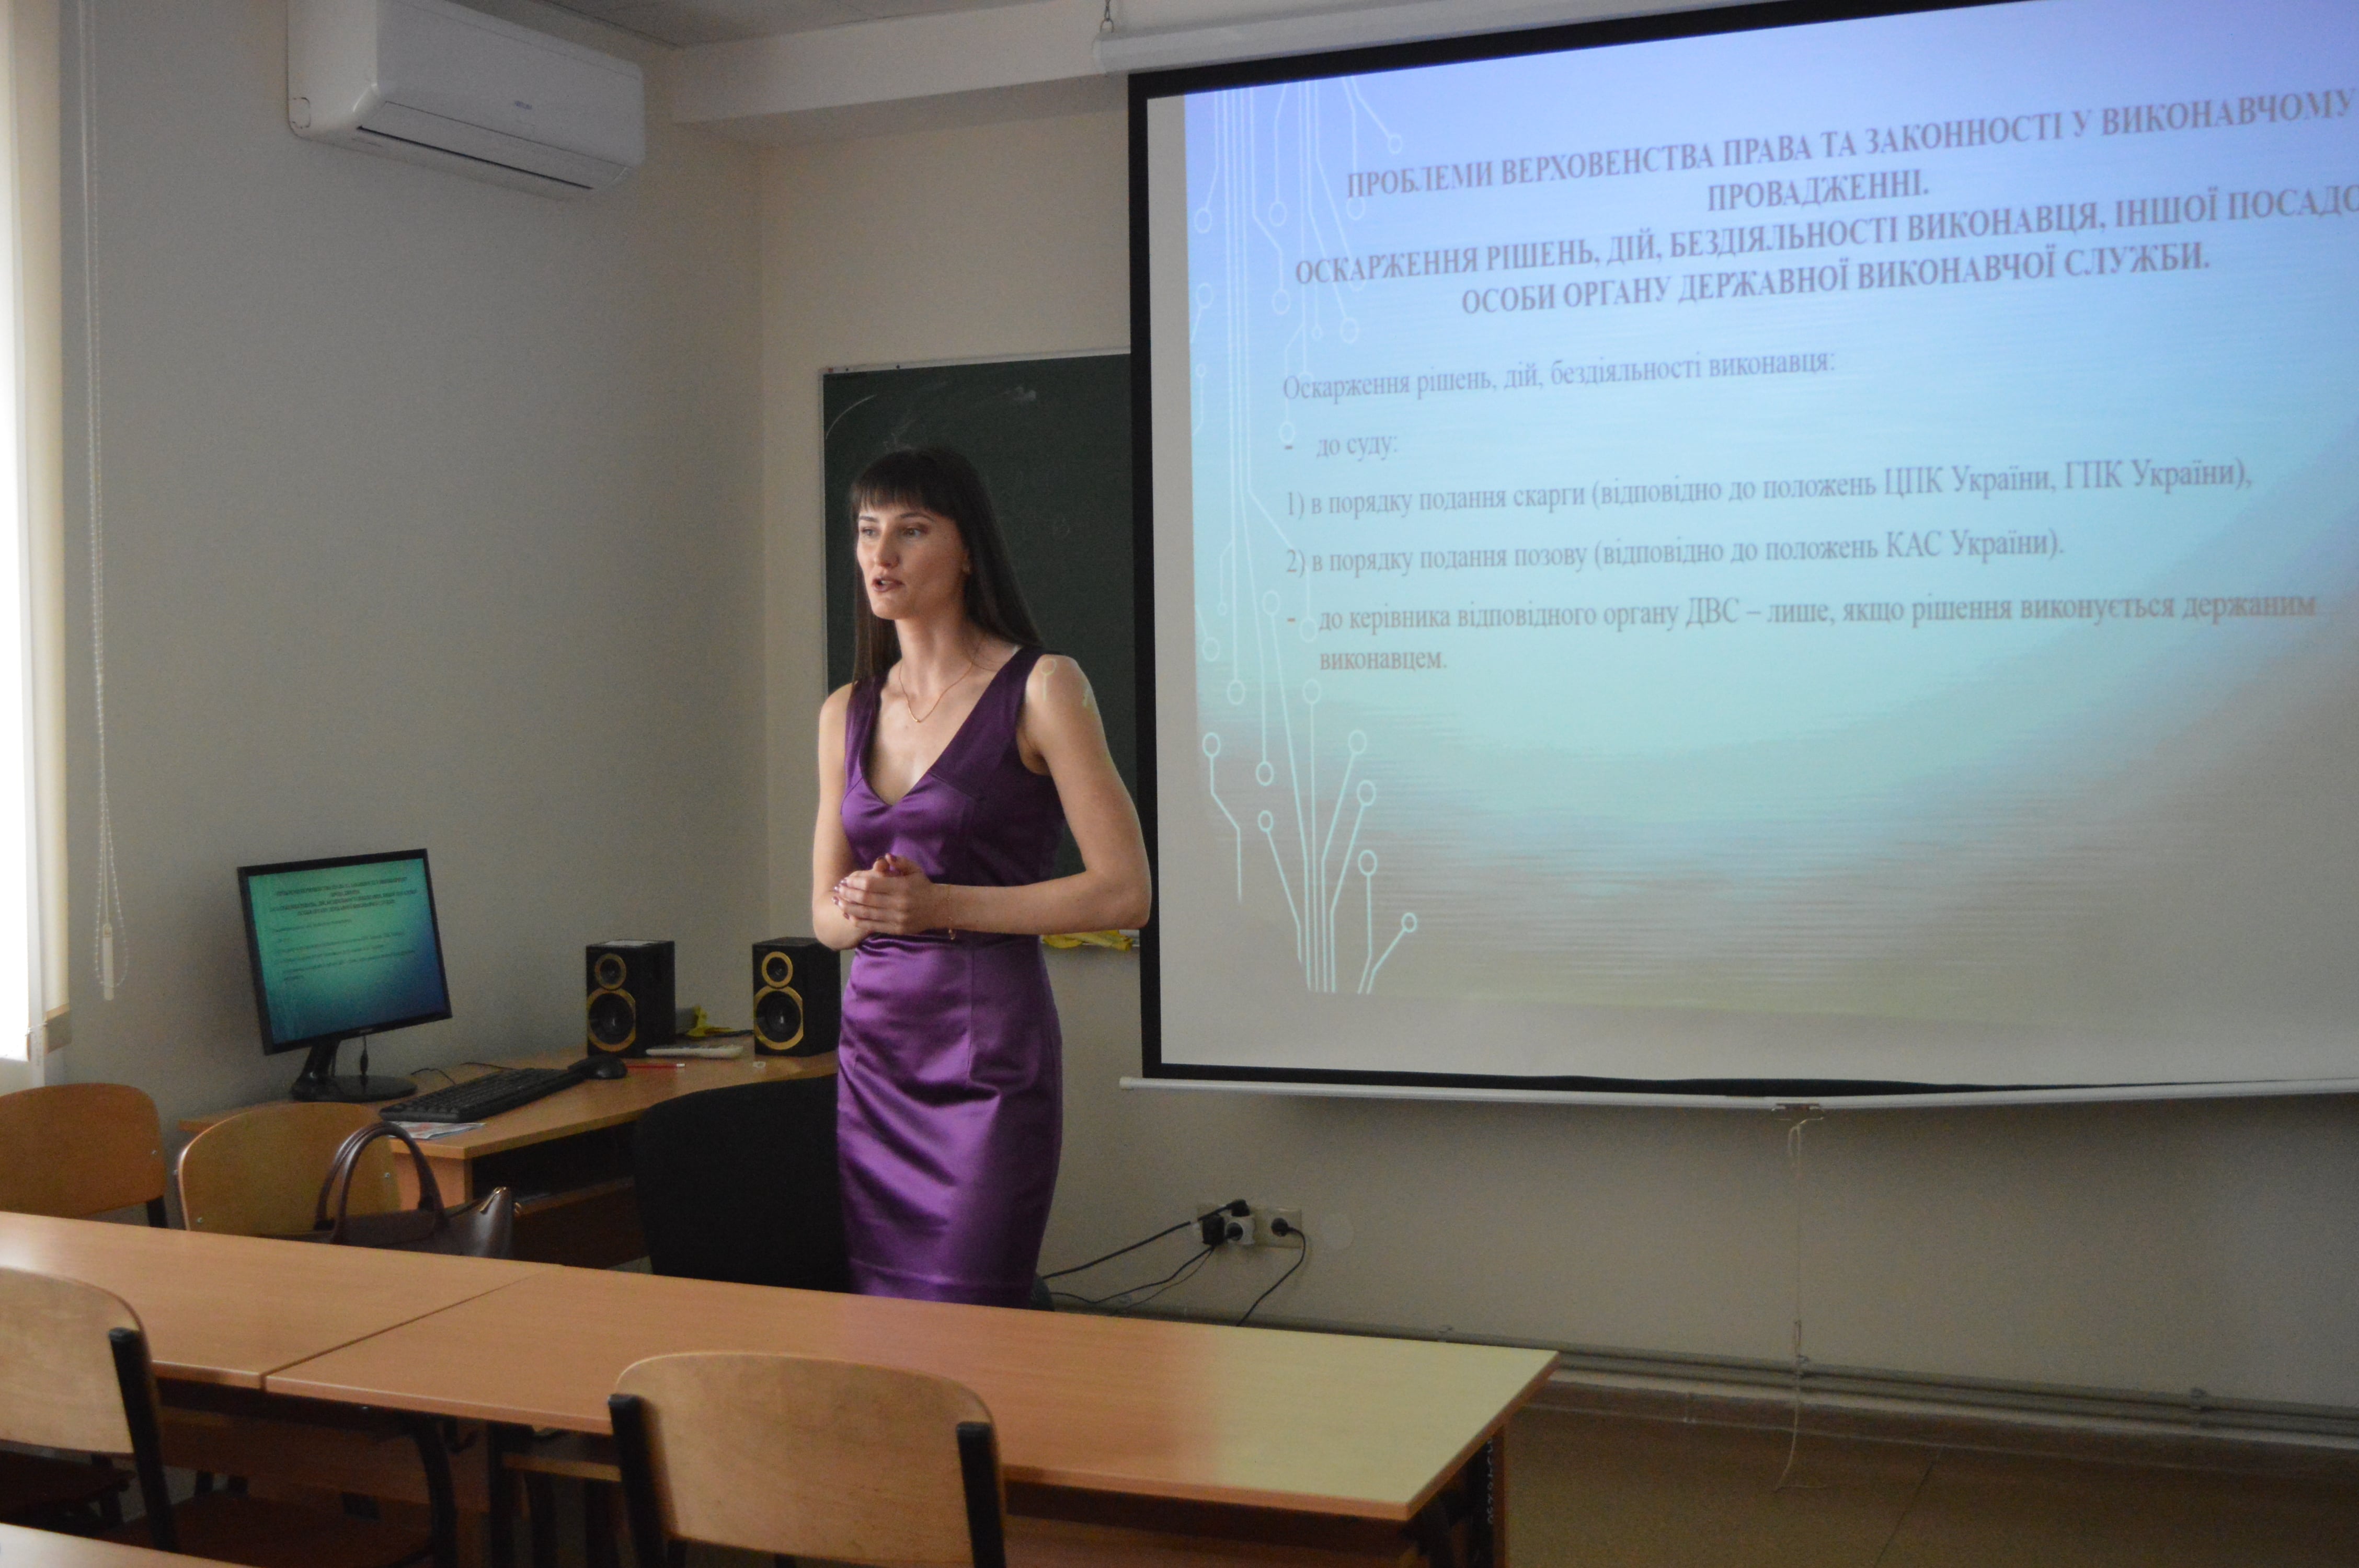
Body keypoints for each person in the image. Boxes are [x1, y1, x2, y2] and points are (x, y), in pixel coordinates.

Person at [810, 446, 1151, 1307]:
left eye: (913, 530)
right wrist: (868, 905)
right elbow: (824, 919)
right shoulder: (845, 711)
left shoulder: (1043, 687)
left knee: (971, 1315)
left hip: (986, 1058)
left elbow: (1125, 892)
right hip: (875, 1060)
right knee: (884, 1327)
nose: (882, 554)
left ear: (968, 551)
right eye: (868, 531)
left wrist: (935, 905)